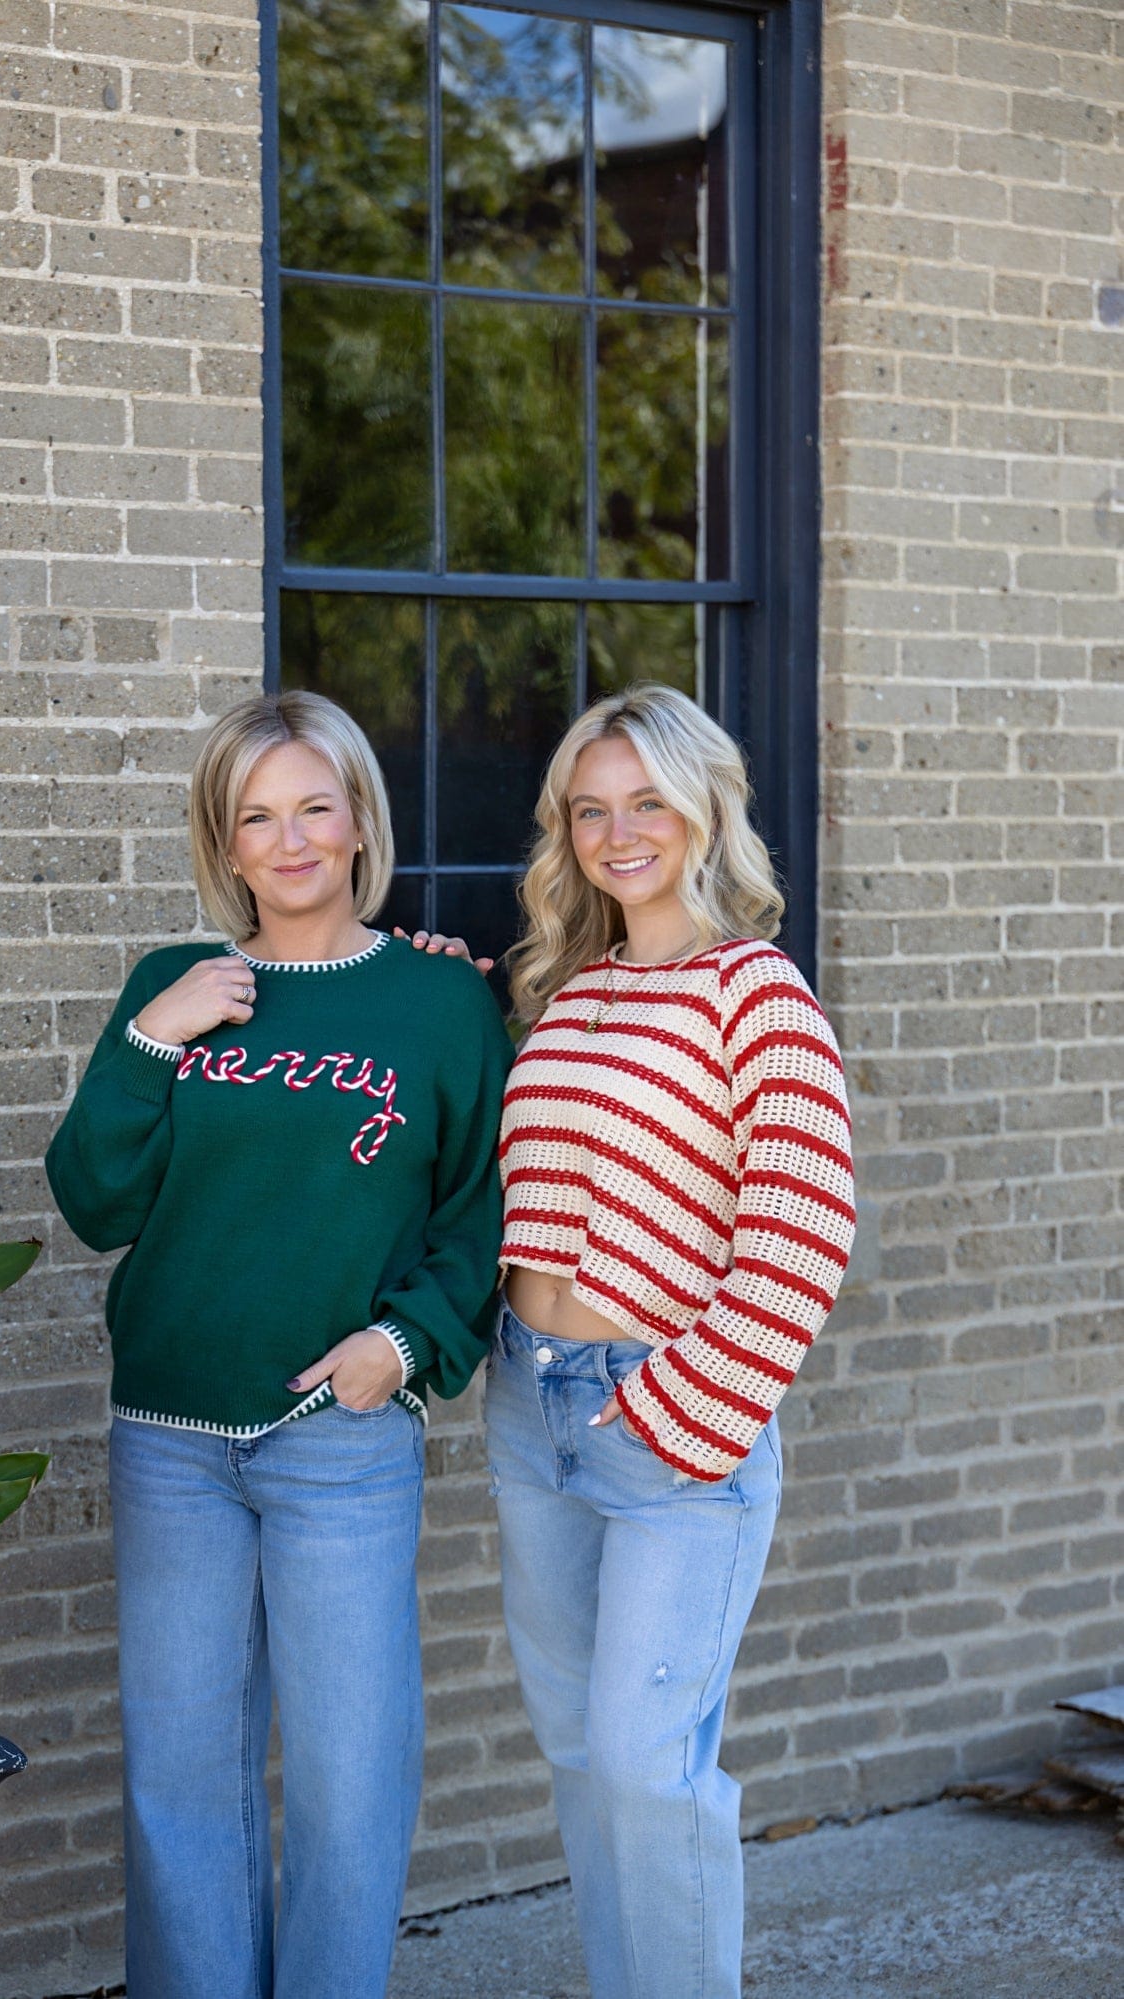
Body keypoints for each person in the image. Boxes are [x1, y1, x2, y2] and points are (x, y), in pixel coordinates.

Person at [44, 690, 511, 1999]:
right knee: (181, 1776)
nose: (291, 840)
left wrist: (402, 1346)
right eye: (257, 817)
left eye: (315, 807)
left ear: (360, 819)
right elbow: (94, 1202)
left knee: (352, 1780)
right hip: (171, 1438)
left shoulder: (440, 1000)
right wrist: (154, 1038)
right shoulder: (174, 987)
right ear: (225, 842)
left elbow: (479, 1214)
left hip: (337, 1439)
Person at [489, 684, 855, 1999]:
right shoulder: (568, 991)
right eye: (589, 811)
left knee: (648, 1763)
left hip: (668, 1420)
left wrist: (683, 1404)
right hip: (529, 1406)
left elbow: (803, 1229)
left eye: (646, 801)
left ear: (705, 809)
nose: (617, 832)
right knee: (583, 1756)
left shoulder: (756, 993)